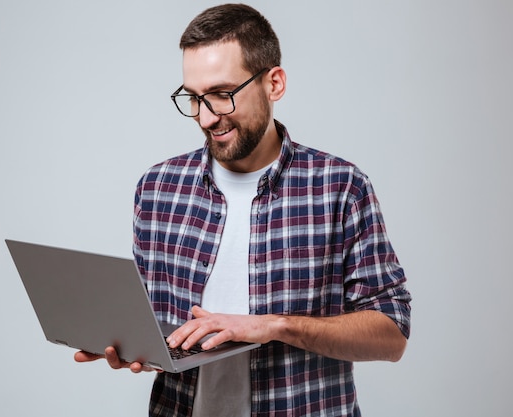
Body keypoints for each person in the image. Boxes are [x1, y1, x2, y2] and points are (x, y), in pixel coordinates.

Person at [75, 3, 411, 416]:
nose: (206, 117)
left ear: (274, 83)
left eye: (221, 94)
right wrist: (127, 344)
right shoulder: (158, 188)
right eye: (194, 98)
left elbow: (391, 334)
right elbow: (151, 325)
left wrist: (276, 325)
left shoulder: (339, 187)